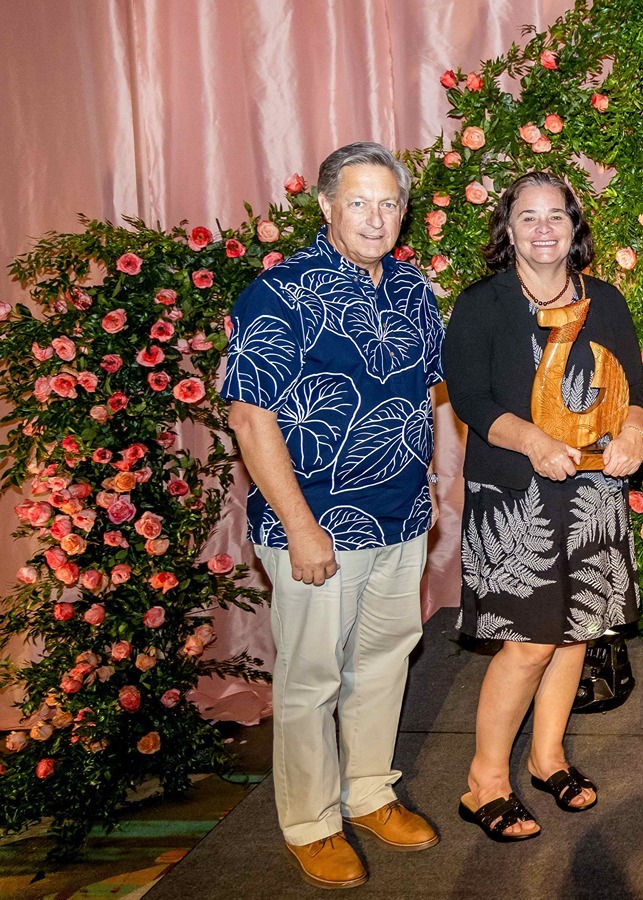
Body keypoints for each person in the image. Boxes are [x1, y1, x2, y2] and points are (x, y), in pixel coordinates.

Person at [225, 142, 443, 889]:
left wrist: (434, 487)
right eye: (359, 202)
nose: (375, 217)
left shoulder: (415, 289)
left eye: (389, 203)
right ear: (325, 207)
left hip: (403, 516)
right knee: (313, 677)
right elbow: (250, 416)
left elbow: (428, 393)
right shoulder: (280, 293)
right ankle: (311, 822)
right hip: (315, 525)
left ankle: (370, 792)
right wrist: (298, 525)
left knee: (384, 662)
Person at [443, 172, 643, 841]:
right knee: (530, 645)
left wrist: (635, 434)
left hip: (592, 496)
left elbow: (634, 390)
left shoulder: (606, 301)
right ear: (508, 229)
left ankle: (548, 758)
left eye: (554, 216)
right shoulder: (482, 305)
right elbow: (471, 399)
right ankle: (485, 784)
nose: (542, 229)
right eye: (527, 217)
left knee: (576, 635)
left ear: (573, 226)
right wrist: (532, 440)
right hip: (514, 498)